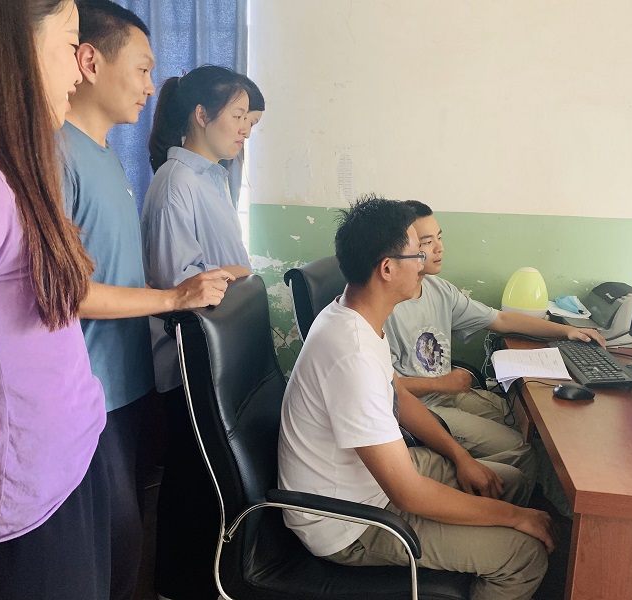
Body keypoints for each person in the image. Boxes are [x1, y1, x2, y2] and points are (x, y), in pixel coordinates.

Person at [278, 195, 552, 600]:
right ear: (387, 269)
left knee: (506, 482)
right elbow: (407, 493)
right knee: (525, 554)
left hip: (373, 482)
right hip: (349, 523)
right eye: (416, 254)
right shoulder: (352, 354)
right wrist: (514, 518)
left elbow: (400, 399)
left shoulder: (358, 317)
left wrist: (461, 457)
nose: (423, 263)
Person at [59, 2, 233, 599]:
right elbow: (66, 293)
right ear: (89, 62)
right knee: (108, 545)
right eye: (141, 69)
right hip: (92, 389)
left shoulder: (105, 154)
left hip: (128, 383)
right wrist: (175, 295)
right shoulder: (57, 153)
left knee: (128, 538)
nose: (151, 87)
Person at [0, 1, 107, 598]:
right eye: (70, 43)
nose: (79, 70)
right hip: (15, 509)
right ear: (9, 46)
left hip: (61, 466)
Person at [384, 199, 606, 515]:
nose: (439, 248)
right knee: (521, 450)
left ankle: (548, 508)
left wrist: (566, 331)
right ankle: (514, 516)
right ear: (403, 249)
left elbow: (500, 319)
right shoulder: (387, 308)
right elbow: (387, 389)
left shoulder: (437, 289)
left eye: (440, 238)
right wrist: (444, 383)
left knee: (521, 420)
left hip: (449, 394)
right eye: (426, 242)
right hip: (424, 407)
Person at [141, 65, 265, 600]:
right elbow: (181, 289)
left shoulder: (211, 178)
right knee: (192, 483)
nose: (245, 131)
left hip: (215, 360)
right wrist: (240, 273)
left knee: (209, 484)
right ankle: (175, 586)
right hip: (188, 361)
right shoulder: (176, 183)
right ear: (200, 114)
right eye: (238, 117)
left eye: (251, 122)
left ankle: (203, 581)